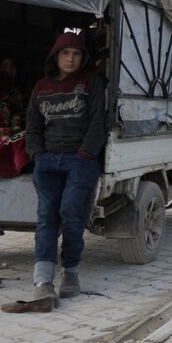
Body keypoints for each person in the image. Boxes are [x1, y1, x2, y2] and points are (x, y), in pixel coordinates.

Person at [24, 31, 107, 307]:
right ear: (55, 57)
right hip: (47, 160)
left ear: (82, 58)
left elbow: (98, 122)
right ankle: (43, 281)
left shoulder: (90, 82)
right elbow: (32, 126)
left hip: (79, 161)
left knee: (71, 214)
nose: (70, 59)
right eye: (65, 53)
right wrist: (37, 153)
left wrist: (85, 154)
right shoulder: (41, 87)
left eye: (76, 54)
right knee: (46, 217)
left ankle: (70, 273)